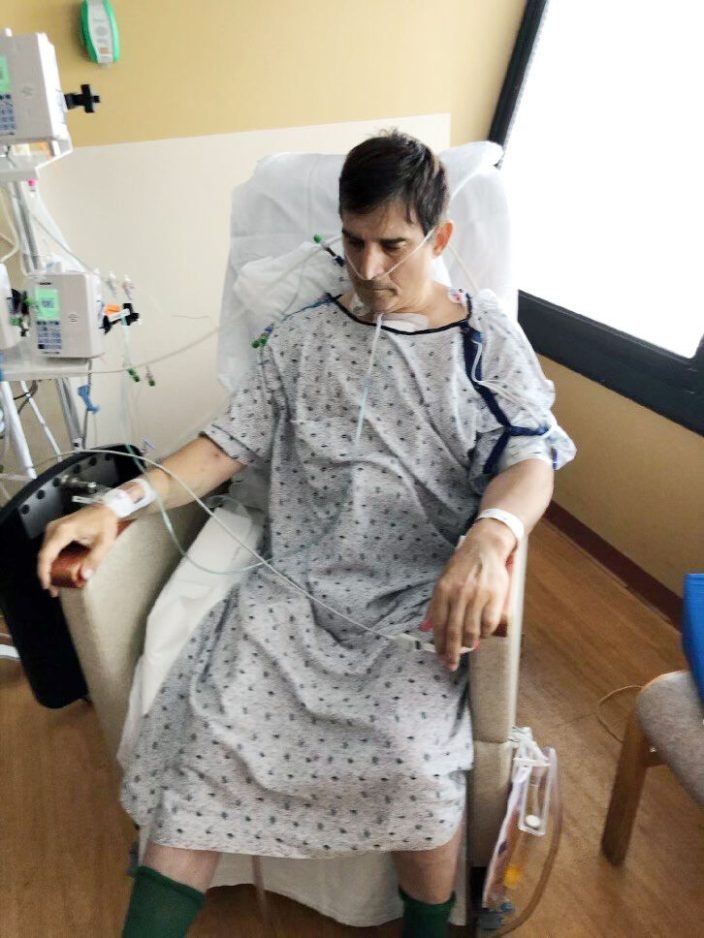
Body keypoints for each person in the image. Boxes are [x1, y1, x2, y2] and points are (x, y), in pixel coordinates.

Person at [37, 131, 575, 938]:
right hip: (294, 592)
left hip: (413, 603)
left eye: (392, 246)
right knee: (207, 742)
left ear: (440, 238)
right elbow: (223, 446)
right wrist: (117, 506)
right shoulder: (301, 339)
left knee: (416, 763)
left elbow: (530, 459)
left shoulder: (482, 340)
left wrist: (489, 539)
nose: (367, 268)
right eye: (353, 243)